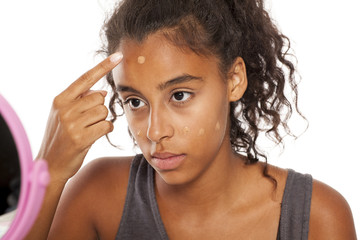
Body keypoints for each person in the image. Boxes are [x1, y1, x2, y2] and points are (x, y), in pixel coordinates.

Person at [26, 0, 357, 239]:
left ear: (234, 80)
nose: (155, 132)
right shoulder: (98, 195)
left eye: (179, 95)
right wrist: (48, 173)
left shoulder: (314, 218)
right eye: (135, 101)